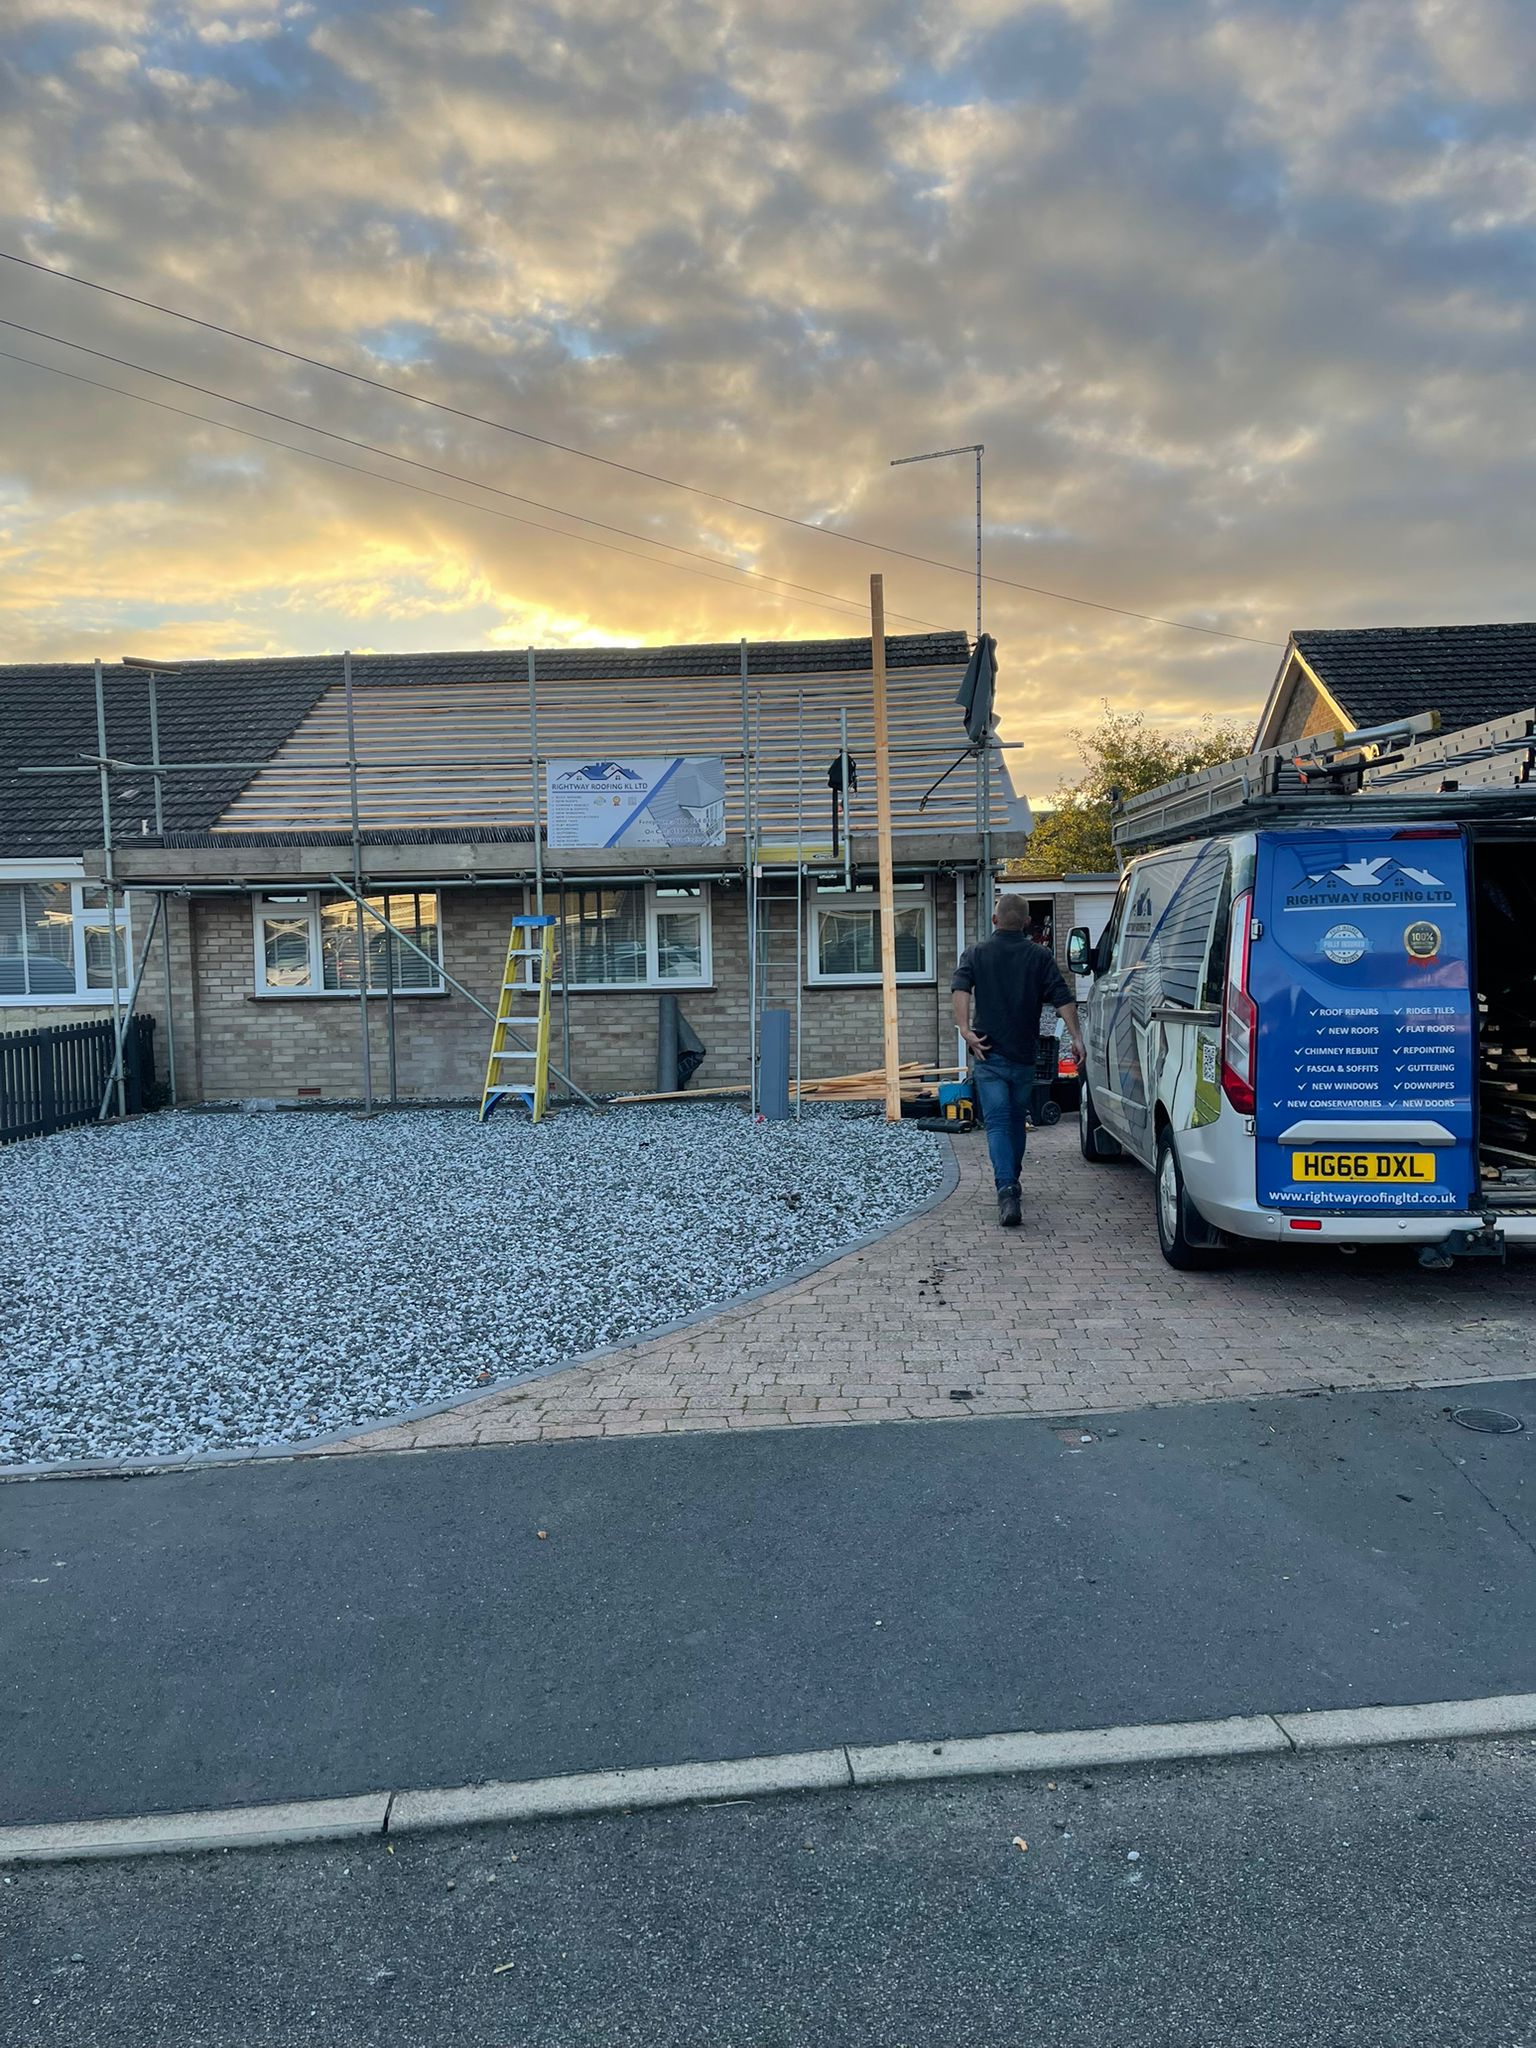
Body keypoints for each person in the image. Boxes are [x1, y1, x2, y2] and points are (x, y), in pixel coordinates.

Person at [951, 893, 1086, 1228]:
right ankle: (1013, 1178)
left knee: (996, 1123)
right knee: (1015, 1119)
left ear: (995, 920)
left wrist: (965, 1030)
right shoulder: (1039, 957)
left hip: (988, 1052)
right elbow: (1062, 998)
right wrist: (1077, 1039)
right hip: (1025, 1058)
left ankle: (1006, 1187)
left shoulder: (976, 953)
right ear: (1027, 923)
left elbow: (960, 988)